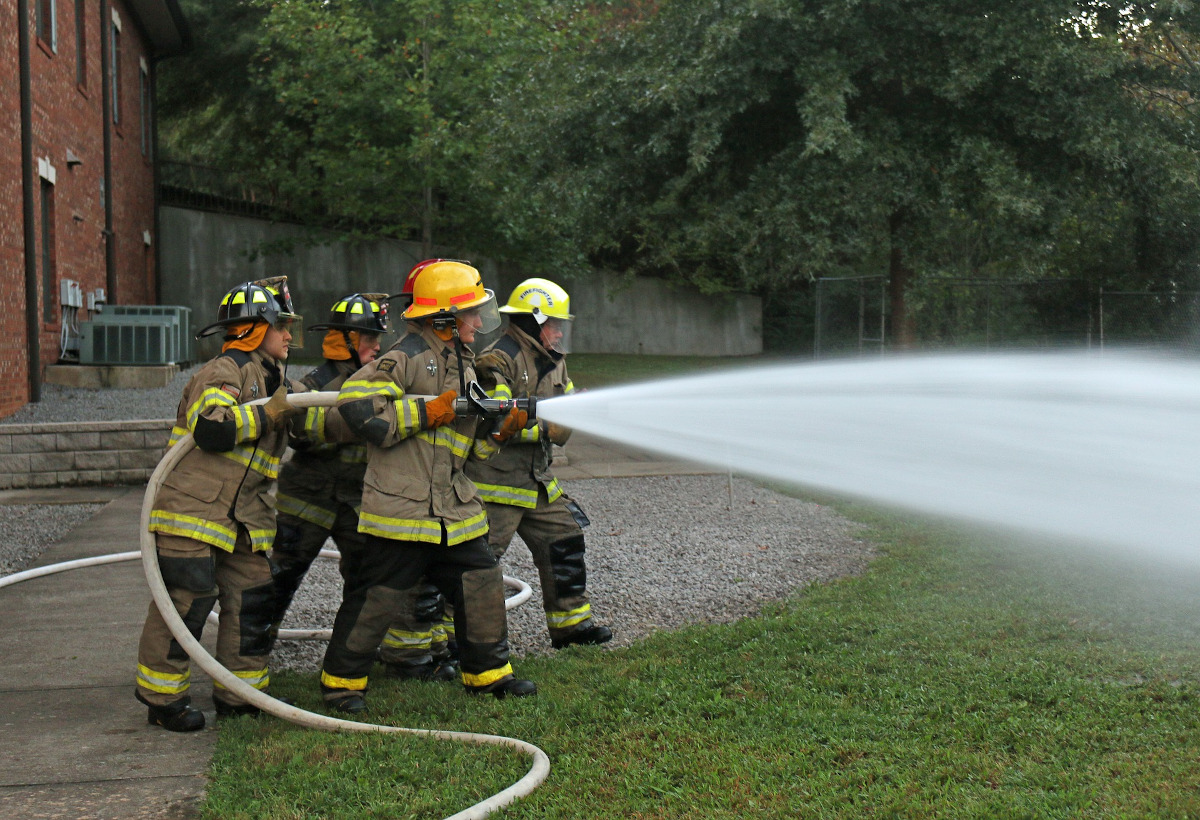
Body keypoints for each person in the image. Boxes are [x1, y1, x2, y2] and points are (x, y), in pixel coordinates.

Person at [320, 260, 535, 713]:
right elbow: (357, 408)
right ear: (443, 320)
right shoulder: (403, 359)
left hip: (453, 509)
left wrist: (498, 432)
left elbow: (467, 451)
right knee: (377, 597)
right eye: (470, 313)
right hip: (401, 509)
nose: (479, 322)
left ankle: (489, 674)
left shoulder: (467, 368)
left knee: (482, 580)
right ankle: (341, 684)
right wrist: (426, 412)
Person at [135, 278, 306, 731]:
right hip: (190, 511)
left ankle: (241, 694)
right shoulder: (223, 372)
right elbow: (212, 430)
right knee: (188, 600)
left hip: (242, 517)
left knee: (254, 597)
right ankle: (162, 698)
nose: (289, 335)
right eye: (280, 325)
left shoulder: (276, 376)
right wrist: (269, 413)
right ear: (252, 329)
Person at [467, 278, 613, 649]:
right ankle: (456, 640)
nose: (559, 332)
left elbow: (565, 408)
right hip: (496, 484)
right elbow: (497, 422)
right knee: (478, 563)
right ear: (533, 322)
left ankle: (572, 627)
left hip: (535, 481)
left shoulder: (553, 362)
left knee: (564, 538)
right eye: (554, 323)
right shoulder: (496, 360)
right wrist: (550, 425)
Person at [268, 293, 391, 645]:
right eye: (369, 338)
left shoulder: (379, 380)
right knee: (281, 576)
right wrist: (354, 421)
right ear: (347, 340)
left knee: (367, 579)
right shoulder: (314, 384)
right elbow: (296, 430)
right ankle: (251, 650)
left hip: (358, 502)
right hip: (307, 501)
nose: (377, 346)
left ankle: (354, 651)